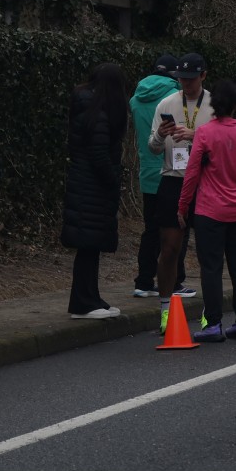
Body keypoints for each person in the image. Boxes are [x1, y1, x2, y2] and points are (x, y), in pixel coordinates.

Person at [178, 79, 236, 342]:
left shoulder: (204, 133)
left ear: (213, 103)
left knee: (211, 268)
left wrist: (183, 205)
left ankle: (213, 324)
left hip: (209, 211)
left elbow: (192, 173)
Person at [148, 53, 215, 332]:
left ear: (203, 76)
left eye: (191, 79)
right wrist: (161, 135)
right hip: (173, 180)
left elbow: (225, 145)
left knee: (208, 250)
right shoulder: (166, 104)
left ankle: (210, 312)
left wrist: (195, 136)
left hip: (205, 182)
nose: (185, 84)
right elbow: (153, 148)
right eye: (181, 79)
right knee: (169, 248)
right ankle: (166, 310)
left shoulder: (214, 105)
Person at [61, 63, 128, 319]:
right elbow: (99, 154)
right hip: (92, 187)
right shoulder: (98, 112)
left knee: (91, 244)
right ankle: (83, 302)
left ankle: (91, 297)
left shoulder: (87, 106)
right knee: (88, 244)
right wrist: (113, 180)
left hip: (85, 184)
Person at [129, 55, 193, 298]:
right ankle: (175, 281)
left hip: (147, 170)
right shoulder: (176, 97)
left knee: (151, 229)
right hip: (173, 172)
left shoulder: (136, 98)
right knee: (178, 229)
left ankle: (143, 281)